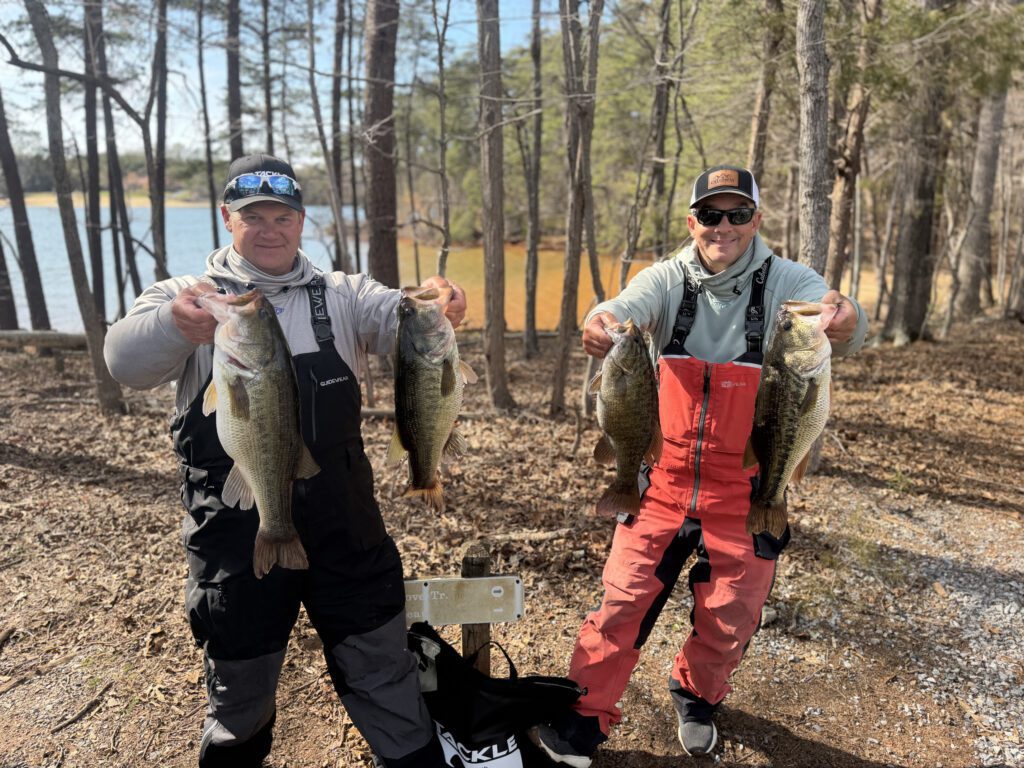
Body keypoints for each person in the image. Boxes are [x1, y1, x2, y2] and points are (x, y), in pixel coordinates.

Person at [104, 153, 465, 768]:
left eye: (283, 216)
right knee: (240, 685)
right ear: (228, 219)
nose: (269, 230)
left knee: (383, 667)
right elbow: (123, 362)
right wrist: (172, 325)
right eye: (253, 217)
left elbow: (402, 315)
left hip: (345, 525)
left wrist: (439, 301)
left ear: (301, 221)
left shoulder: (343, 294)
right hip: (235, 531)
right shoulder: (188, 298)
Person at [532, 165, 868, 765]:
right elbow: (622, 306)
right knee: (621, 604)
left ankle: (695, 697)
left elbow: (838, 317)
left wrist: (846, 317)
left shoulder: (786, 281)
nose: (724, 226)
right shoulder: (667, 279)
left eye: (738, 214)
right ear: (693, 222)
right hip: (660, 484)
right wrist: (599, 321)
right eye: (711, 214)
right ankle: (582, 719)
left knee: (730, 615)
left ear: (756, 221)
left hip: (744, 492)